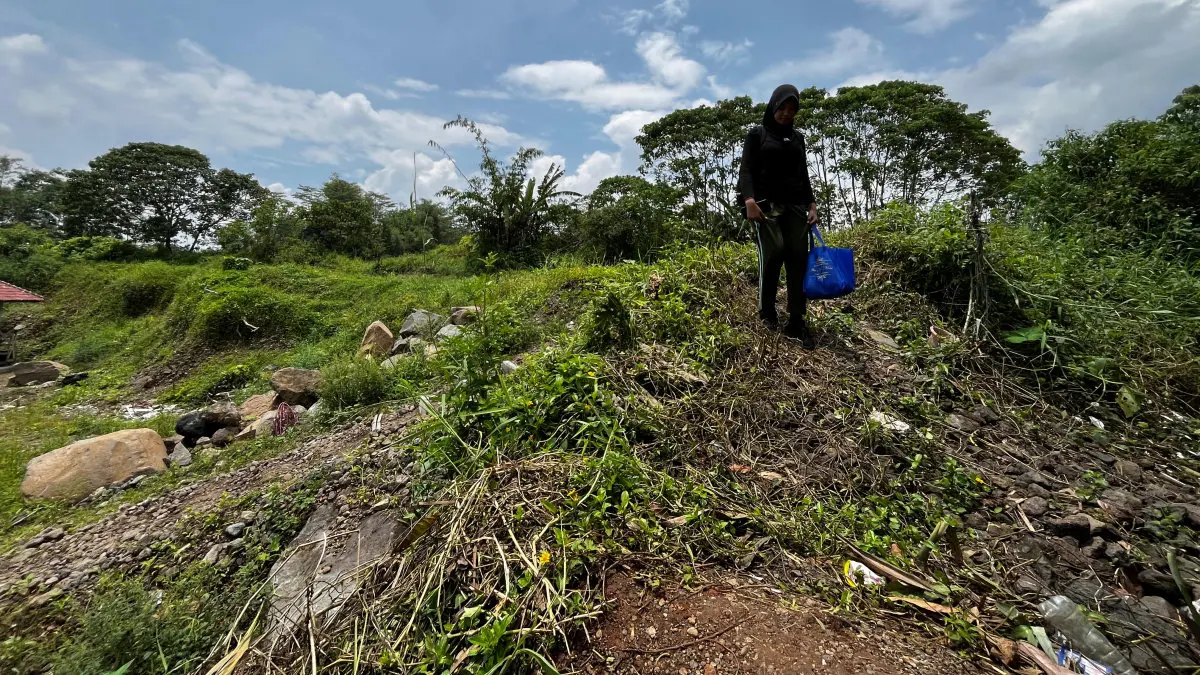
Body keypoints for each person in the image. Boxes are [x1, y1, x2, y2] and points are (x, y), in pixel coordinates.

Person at [737, 84, 820, 347]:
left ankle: (796, 319)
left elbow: (803, 173)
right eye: (782, 108)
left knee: (798, 258)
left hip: (795, 206)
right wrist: (749, 201)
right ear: (773, 106)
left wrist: (812, 205)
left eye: (792, 109)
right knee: (773, 254)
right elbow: (746, 170)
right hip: (765, 206)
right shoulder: (757, 135)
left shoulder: (797, 139)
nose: (786, 113)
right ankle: (767, 313)